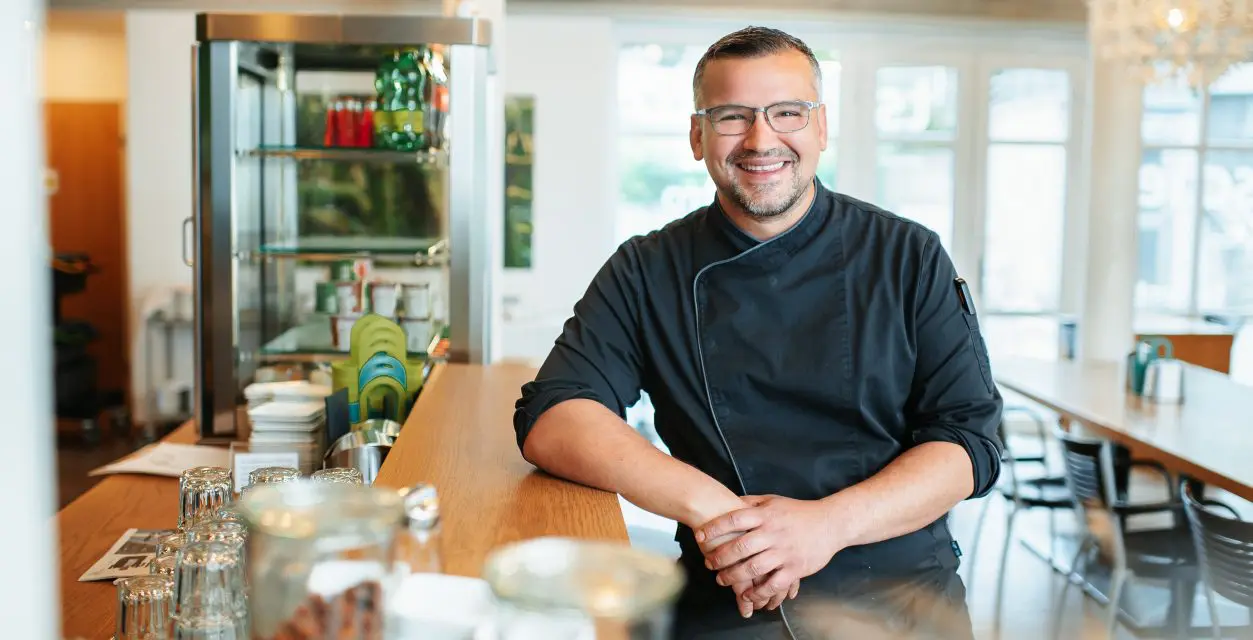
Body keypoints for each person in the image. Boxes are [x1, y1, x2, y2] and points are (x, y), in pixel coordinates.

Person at [512, 26, 1003, 640]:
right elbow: (553, 416)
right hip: (728, 599)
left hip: (899, 602)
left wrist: (823, 526)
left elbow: (968, 444)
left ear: (821, 128)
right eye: (731, 116)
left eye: (787, 113)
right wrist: (715, 511)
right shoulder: (647, 267)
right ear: (697, 136)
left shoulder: (909, 256)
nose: (761, 138)